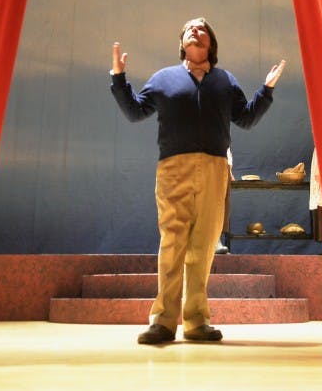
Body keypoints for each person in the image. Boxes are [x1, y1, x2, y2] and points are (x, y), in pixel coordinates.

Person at [110, 17, 285, 344]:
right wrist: (119, 79)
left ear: (210, 44)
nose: (195, 30)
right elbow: (135, 111)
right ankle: (163, 321)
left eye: (202, 28)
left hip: (216, 167)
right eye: (190, 28)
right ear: (183, 42)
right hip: (174, 167)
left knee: (203, 245)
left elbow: (245, 118)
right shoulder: (164, 78)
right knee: (173, 242)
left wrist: (267, 90)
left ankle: (196, 322)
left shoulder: (224, 81)